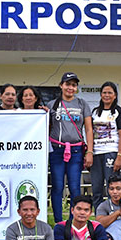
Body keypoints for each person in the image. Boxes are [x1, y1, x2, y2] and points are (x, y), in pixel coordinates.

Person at [47, 72, 94, 223]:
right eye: (67, 84)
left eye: (73, 85)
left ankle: (74, 223)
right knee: (57, 187)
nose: (70, 88)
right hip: (57, 150)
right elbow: (45, 128)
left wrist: (90, 152)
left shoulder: (82, 104)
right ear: (61, 86)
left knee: (75, 187)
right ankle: (59, 222)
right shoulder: (52, 104)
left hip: (75, 152)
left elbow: (88, 129)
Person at [90, 82, 121, 209]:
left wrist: (119, 156)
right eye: (104, 92)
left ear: (115, 95)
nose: (107, 95)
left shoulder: (119, 112)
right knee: (96, 188)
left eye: (110, 93)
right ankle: (99, 217)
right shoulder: (95, 112)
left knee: (113, 189)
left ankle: (114, 214)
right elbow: (90, 132)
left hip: (111, 152)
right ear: (100, 95)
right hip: (96, 154)